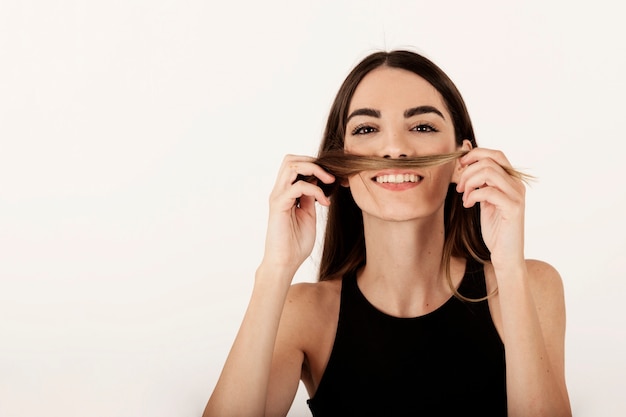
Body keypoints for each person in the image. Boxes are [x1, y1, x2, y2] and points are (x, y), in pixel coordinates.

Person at [203, 50, 571, 416]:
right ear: (343, 169)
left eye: (423, 127)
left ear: (463, 161)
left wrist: (508, 266)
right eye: (366, 129)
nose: (395, 148)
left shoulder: (531, 286)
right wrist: (275, 268)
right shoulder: (305, 314)